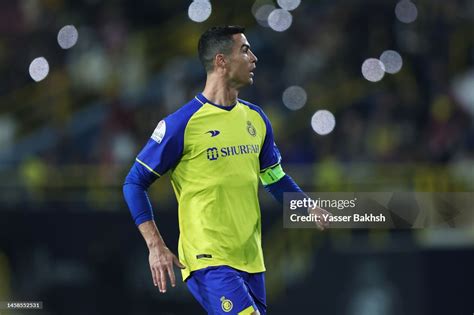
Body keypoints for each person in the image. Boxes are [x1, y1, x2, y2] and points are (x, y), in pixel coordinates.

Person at [123, 25, 330, 315]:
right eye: (245, 50)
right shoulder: (181, 124)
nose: (254, 58)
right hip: (208, 259)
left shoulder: (256, 119)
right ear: (221, 61)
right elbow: (134, 182)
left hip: (251, 259)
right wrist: (155, 245)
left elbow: (273, 177)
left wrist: (306, 206)